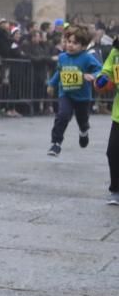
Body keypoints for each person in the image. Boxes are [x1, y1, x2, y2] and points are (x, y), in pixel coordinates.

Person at [46, 24, 101, 157]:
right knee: (63, 115)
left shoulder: (87, 57)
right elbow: (59, 72)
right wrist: (51, 84)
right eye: (69, 42)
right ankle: (56, 143)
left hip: (82, 97)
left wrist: (92, 76)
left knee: (82, 121)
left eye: (75, 43)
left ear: (83, 46)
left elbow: (100, 69)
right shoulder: (63, 57)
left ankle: (83, 132)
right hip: (66, 93)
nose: (70, 45)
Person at [94, 45, 119, 205]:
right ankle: (116, 190)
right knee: (113, 152)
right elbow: (107, 71)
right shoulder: (116, 50)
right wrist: (101, 80)